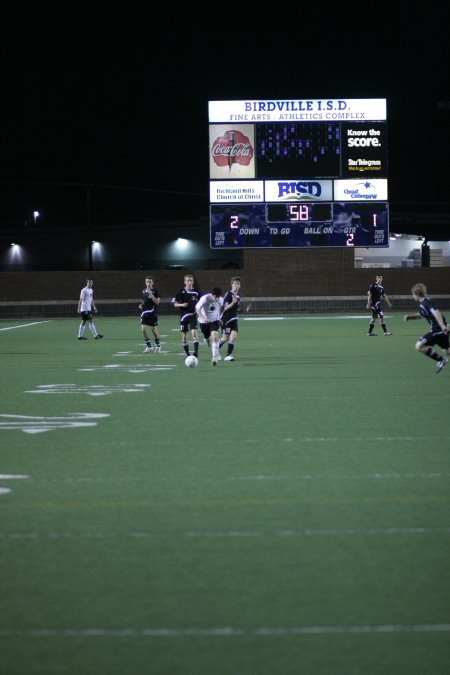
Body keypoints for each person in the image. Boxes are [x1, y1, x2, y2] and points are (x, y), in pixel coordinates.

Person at [404, 282, 449, 373]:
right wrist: (410, 317)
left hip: (437, 330)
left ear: (417, 294)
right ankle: (441, 360)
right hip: (440, 330)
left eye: (413, 294)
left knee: (419, 346)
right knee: (447, 351)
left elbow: (436, 312)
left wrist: (442, 326)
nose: (413, 297)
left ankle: (441, 360)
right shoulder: (424, 303)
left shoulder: (426, 303)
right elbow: (421, 315)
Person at [172, 274, 200, 358]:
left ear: (193, 282)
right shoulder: (180, 292)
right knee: (184, 337)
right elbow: (175, 304)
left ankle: (195, 353)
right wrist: (182, 304)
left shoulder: (196, 292)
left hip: (192, 315)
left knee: (194, 334)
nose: (189, 282)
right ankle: (187, 354)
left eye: (191, 280)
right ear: (184, 282)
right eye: (187, 280)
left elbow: (200, 304)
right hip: (183, 316)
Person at [195, 287, 223, 366]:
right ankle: (210, 344)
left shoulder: (220, 299)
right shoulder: (205, 298)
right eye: (215, 297)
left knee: (214, 336)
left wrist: (220, 318)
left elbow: (221, 308)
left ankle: (214, 357)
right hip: (204, 321)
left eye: (218, 297)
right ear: (212, 295)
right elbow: (197, 309)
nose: (217, 299)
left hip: (214, 321)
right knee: (208, 340)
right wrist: (204, 318)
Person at [219, 276, 241, 361]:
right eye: (235, 284)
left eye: (238, 284)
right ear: (232, 284)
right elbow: (225, 308)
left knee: (233, 337)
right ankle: (215, 350)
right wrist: (233, 303)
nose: (237, 286)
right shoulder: (228, 294)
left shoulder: (238, 297)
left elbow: (235, 308)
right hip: (226, 319)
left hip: (234, 319)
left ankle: (228, 355)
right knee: (225, 338)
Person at [139, 275, 161, 353]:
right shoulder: (143, 291)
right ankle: (148, 346)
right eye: (147, 281)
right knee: (143, 329)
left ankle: (158, 345)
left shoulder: (155, 291)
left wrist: (151, 294)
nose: (148, 283)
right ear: (145, 282)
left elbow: (157, 302)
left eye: (150, 282)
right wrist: (141, 305)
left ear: (152, 282)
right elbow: (143, 301)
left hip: (152, 312)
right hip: (144, 312)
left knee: (153, 329)